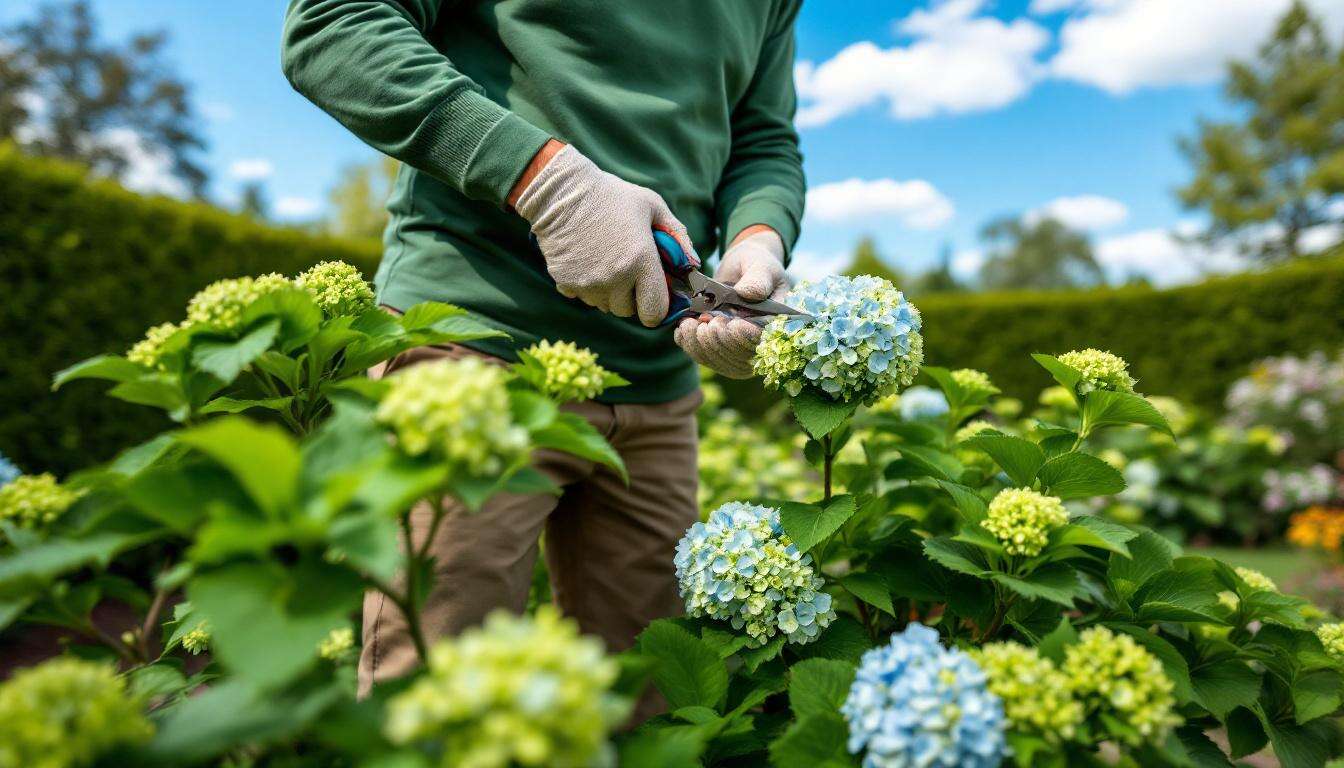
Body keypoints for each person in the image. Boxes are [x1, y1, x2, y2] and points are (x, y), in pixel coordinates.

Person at [281, 0, 806, 698]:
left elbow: (764, 139)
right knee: (443, 702)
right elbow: (335, 25)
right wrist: (545, 181)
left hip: (656, 385)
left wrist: (757, 239)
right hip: (468, 353)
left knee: (650, 699)